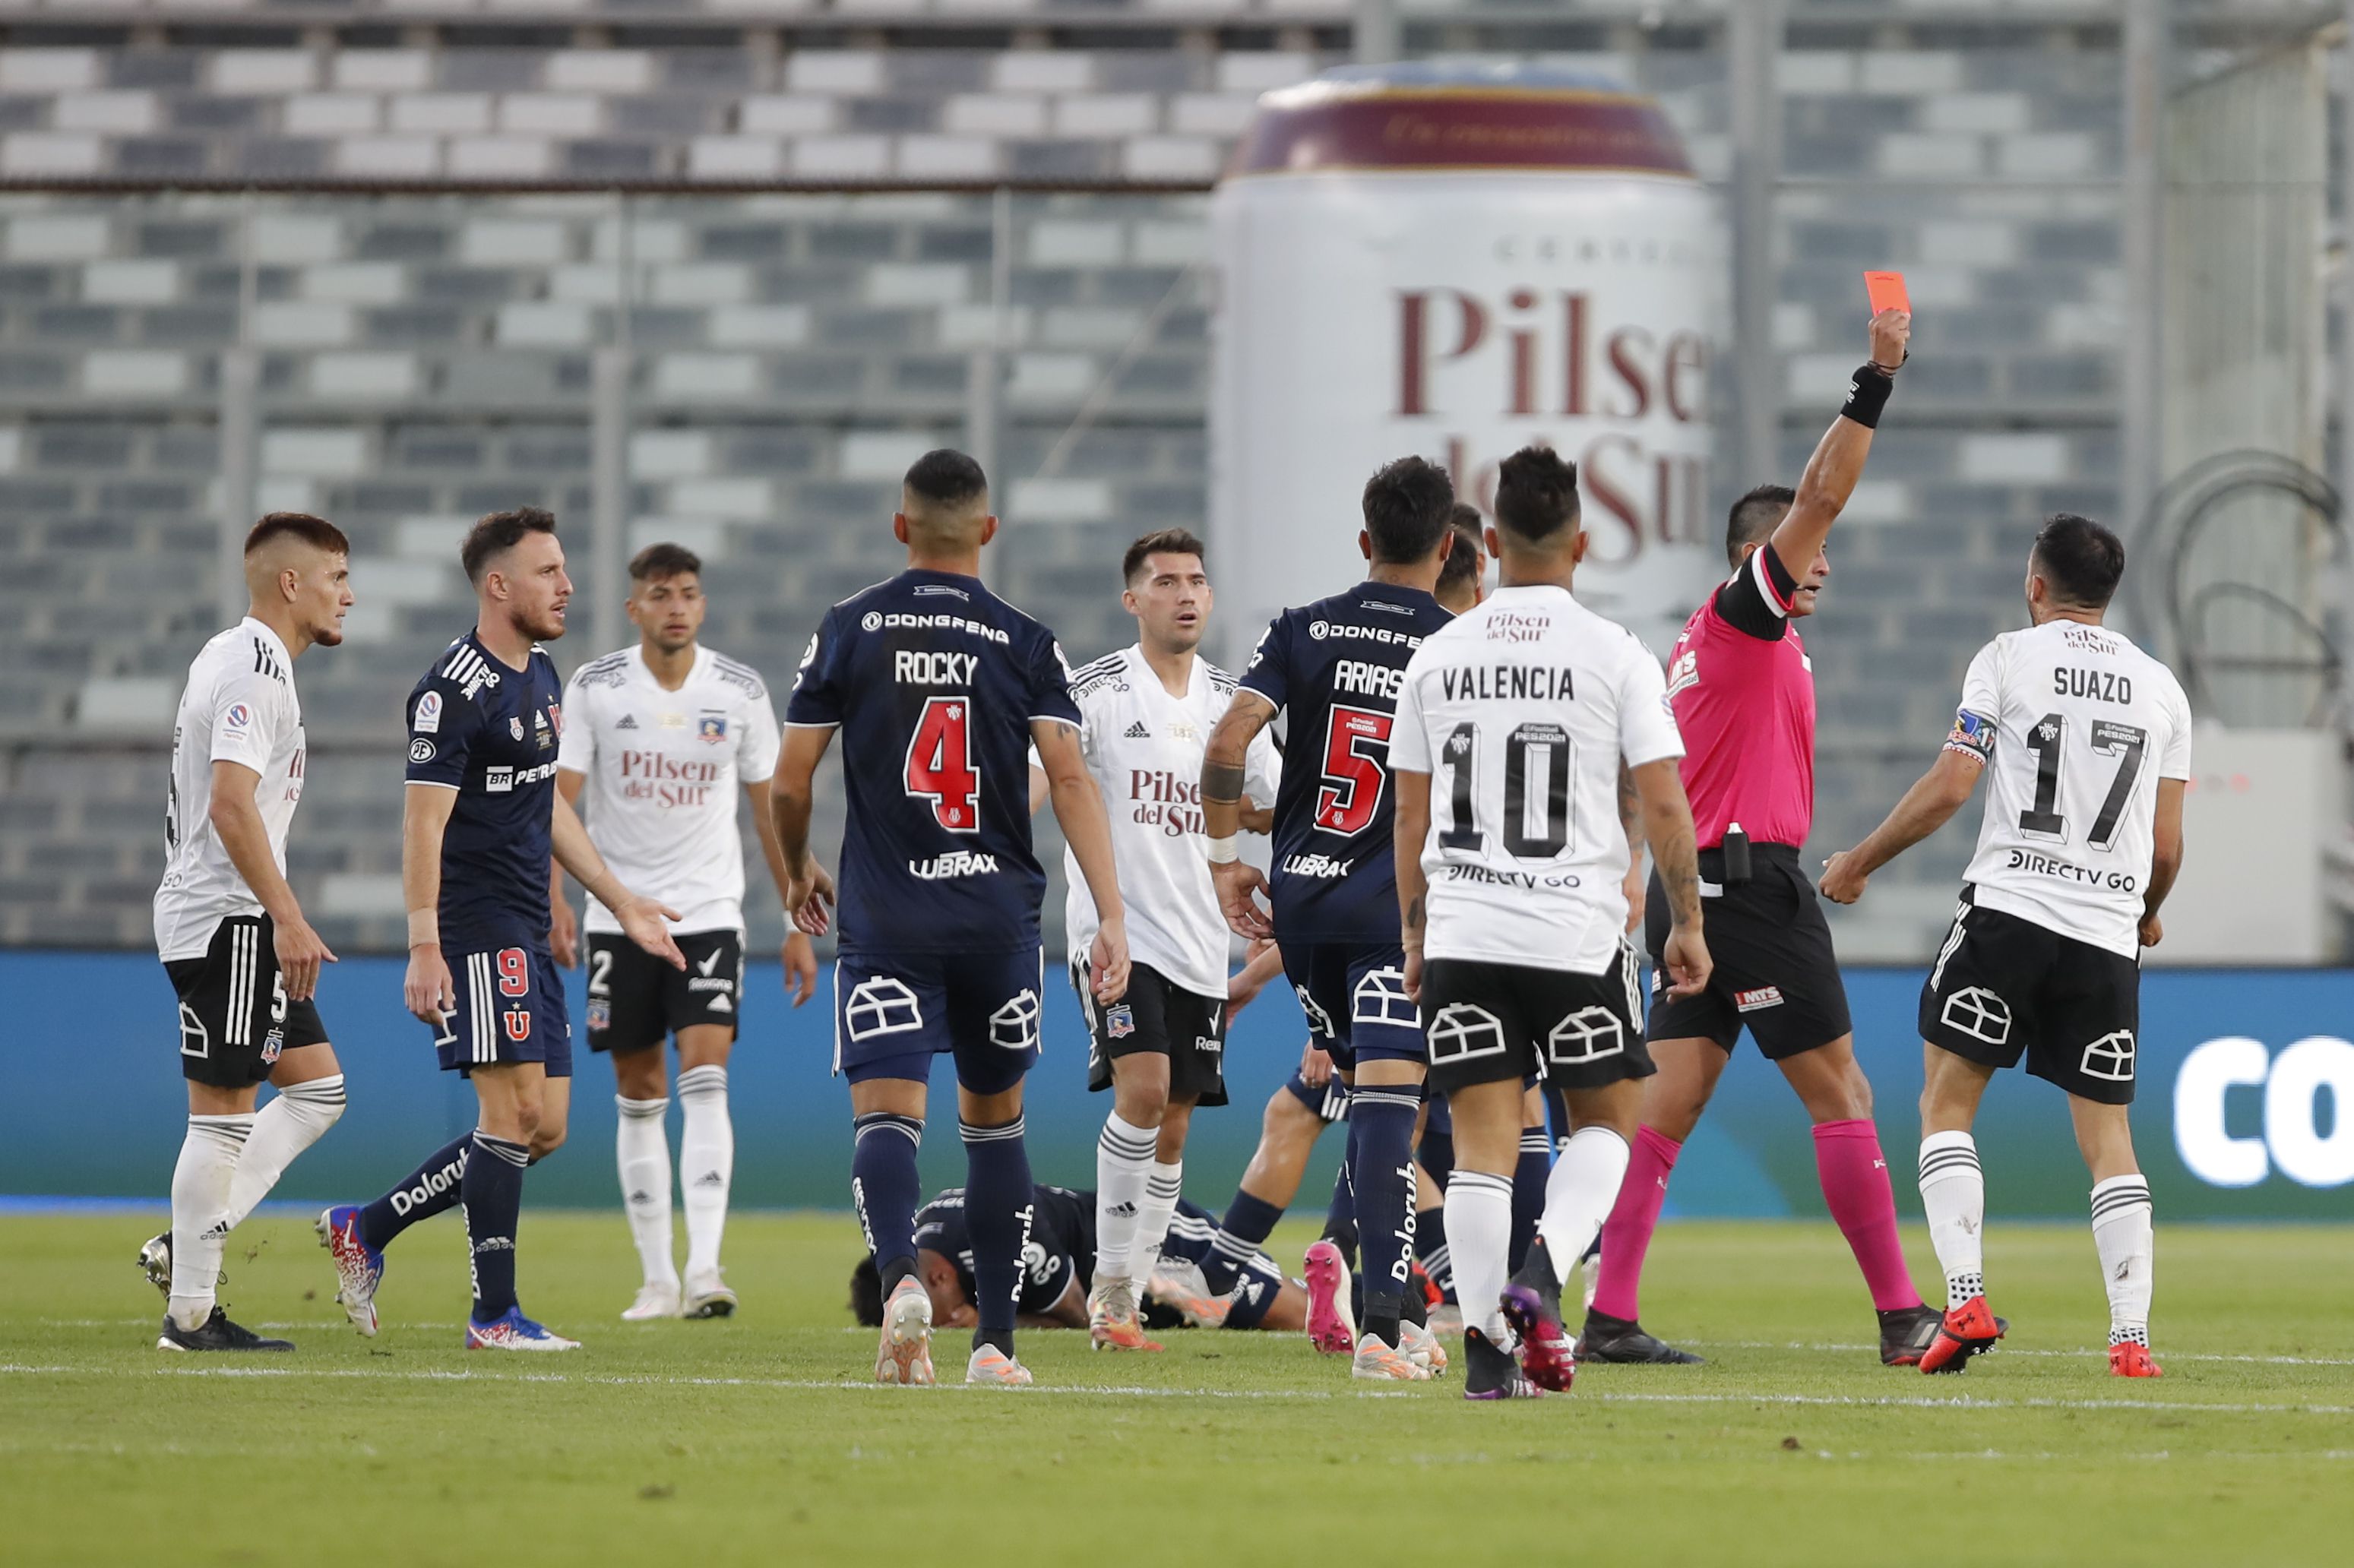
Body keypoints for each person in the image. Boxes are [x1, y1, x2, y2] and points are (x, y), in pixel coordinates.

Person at [1584, 307, 1942, 1368]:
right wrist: (1873, 380)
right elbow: (1824, 491)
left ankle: (1605, 1315)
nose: (1820, 558)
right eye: (1804, 546)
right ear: (1760, 553)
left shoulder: (1707, 648)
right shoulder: (1744, 614)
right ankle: (1897, 1317)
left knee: (1664, 1111)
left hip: (1696, 888)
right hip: (1747, 888)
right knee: (1843, 1093)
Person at [774, 449, 1131, 1388]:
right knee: (995, 1130)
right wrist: (1112, 917)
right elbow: (1067, 779)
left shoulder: (849, 628)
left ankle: (899, 1279)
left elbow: (786, 780)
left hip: (888, 919)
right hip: (993, 923)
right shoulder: (1026, 640)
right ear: (988, 529)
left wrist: (792, 871)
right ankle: (996, 1347)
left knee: (886, 1119)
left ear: (901, 528)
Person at [1821, 514, 2186, 1380]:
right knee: (2108, 1139)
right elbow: (2165, 849)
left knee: (1945, 1107)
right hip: (2103, 934)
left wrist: (1858, 862)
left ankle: (1965, 1297)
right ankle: (2129, 1340)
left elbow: (1953, 783)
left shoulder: (2005, 659)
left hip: (2010, 913)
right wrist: (2146, 911)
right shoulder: (2159, 689)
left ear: (2034, 585)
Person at [318, 508, 685, 1351]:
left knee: (542, 1126)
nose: (567, 585)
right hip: (476, 924)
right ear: (497, 585)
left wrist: (619, 900)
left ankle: (364, 1227)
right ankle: (494, 1314)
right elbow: (421, 826)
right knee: (511, 1113)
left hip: (526, 919)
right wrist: (423, 944)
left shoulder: (544, 675)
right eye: (548, 571)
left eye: (563, 569)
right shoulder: (452, 689)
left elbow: (548, 806)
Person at [1391, 444, 1711, 1400]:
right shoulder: (1616, 654)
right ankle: (1540, 1278)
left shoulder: (1436, 655)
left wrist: (1413, 936)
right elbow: (1661, 803)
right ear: (1583, 541)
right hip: (1572, 932)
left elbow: (1407, 817)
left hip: (1462, 933)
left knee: (1482, 1145)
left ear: (1485, 541)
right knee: (1609, 1122)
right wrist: (1683, 921)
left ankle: (1489, 1356)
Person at [1201, 455, 1458, 1382]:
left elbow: (1228, 738)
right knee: (1396, 1108)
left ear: (1363, 541)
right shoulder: (1455, 641)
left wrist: (1229, 859)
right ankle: (1384, 1327)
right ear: (1445, 547)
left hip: (1303, 906)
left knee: (1377, 1100)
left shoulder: (1301, 629)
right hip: (1398, 905)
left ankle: (1403, 1313)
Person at [550, 542, 820, 1323]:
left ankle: (704, 1269)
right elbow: (557, 803)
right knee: (638, 1092)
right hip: (618, 915)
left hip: (707, 914)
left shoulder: (737, 692)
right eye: (660, 594)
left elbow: (773, 811)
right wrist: (556, 901)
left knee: (706, 1074)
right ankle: (656, 1278)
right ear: (634, 607)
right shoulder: (595, 688)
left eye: (689, 594)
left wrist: (794, 916)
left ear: (702, 606)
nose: (676, 606)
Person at [1027, 528, 1280, 1351]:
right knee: (1142, 1090)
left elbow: (1268, 801)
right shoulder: (1095, 690)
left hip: (1200, 937)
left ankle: (1128, 1298)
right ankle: (1109, 1293)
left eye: (1196, 580)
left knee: (1172, 1124)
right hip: (1116, 937)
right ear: (1131, 600)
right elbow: (1046, 781)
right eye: (1165, 581)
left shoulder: (1230, 703)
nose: (1184, 594)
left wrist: (1245, 817)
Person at [144, 514, 354, 1351]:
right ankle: (189, 1314)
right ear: (290, 583)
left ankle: (185, 1245)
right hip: (228, 916)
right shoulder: (256, 668)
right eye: (337, 575)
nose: (349, 592)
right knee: (223, 1115)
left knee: (318, 1091)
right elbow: (231, 804)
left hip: (231, 914)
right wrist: (288, 917)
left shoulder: (233, 654)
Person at [847, 1183, 1311, 1336]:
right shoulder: (927, 1237)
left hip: (1157, 1239)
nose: (938, 1324)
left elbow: (1074, 1312)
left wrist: (985, 1319)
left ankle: (1376, 1296)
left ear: (940, 1275)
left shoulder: (1007, 1233)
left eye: (931, 1315)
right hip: (1126, 1287)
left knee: (1303, 1316)